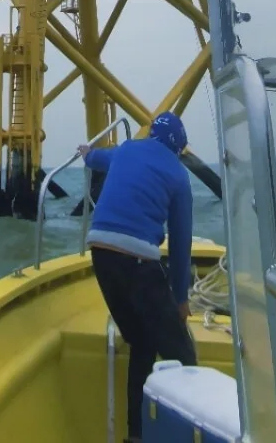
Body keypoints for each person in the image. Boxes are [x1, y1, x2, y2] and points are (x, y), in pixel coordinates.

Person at [79, 112, 197, 443]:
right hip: (137, 260)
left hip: (100, 250)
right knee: (182, 355)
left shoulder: (128, 149)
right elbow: (181, 243)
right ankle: (186, 433)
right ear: (178, 147)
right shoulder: (178, 175)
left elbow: (97, 158)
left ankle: (137, 435)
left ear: (152, 134)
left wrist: (86, 153)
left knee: (143, 343)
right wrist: (180, 300)